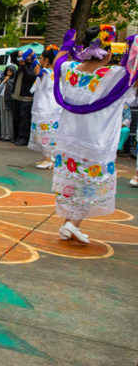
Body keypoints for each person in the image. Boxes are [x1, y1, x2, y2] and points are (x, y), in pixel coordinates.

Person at [52, 26, 137, 242]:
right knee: (88, 185)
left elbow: (57, 62)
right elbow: (134, 75)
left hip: (69, 140)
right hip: (96, 141)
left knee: (73, 183)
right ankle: (72, 223)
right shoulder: (114, 75)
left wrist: (66, 45)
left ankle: (67, 224)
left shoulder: (70, 70)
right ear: (107, 52)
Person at [28, 46, 62, 169]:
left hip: (46, 109)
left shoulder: (48, 73)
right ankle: (48, 158)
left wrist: (32, 58)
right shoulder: (57, 74)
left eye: (41, 58)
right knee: (45, 134)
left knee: (45, 134)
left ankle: (49, 159)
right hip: (50, 108)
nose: (40, 60)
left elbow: (38, 71)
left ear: (47, 60)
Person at [11, 50, 36, 146]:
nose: (27, 58)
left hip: (26, 98)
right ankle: (16, 136)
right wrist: (19, 53)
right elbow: (12, 56)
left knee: (24, 119)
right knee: (16, 118)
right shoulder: (20, 64)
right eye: (26, 56)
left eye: (29, 56)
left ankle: (23, 138)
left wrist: (24, 65)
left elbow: (31, 76)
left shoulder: (33, 65)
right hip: (16, 96)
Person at [0, 65, 16, 141]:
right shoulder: (3, 78)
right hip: (2, 97)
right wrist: (4, 81)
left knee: (8, 118)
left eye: (10, 70)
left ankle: (9, 135)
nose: (9, 72)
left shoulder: (14, 80)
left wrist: (8, 81)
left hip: (9, 99)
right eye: (8, 70)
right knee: (3, 117)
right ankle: (3, 134)